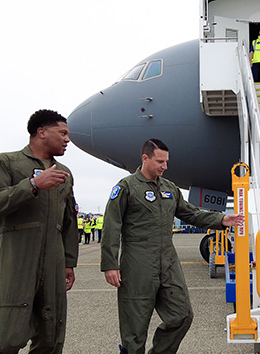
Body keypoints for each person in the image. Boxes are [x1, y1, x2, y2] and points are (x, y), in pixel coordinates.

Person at [101, 138, 244, 354]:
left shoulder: (170, 189)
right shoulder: (127, 188)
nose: (165, 167)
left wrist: (221, 220)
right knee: (135, 330)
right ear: (145, 158)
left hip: (168, 262)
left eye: (166, 162)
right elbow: (111, 226)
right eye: (160, 161)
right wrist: (110, 265)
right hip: (138, 264)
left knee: (182, 315)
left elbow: (191, 213)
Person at [0, 109, 79, 354]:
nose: (67, 139)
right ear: (41, 132)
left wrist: (68, 262)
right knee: (5, 335)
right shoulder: (6, 162)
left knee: (51, 334)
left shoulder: (64, 173)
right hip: (18, 261)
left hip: (53, 262)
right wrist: (32, 185)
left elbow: (69, 221)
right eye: (62, 133)